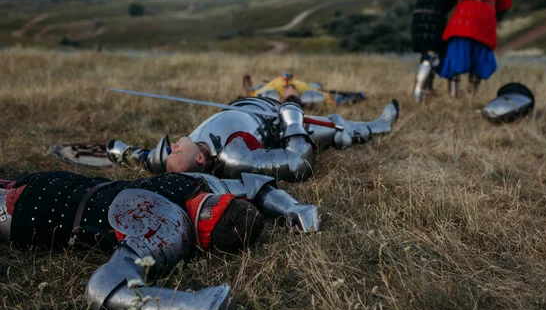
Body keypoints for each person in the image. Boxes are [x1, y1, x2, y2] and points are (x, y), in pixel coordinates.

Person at [0, 170, 318, 310]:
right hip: (53, 183)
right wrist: (295, 208)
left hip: (29, 209)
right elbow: (258, 185)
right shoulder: (203, 187)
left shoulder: (167, 228)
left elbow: (105, 289)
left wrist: (196, 306)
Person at [106, 96, 399, 183]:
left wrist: (122, 152)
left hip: (245, 102)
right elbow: (298, 163)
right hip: (275, 122)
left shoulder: (187, 151)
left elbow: (148, 158)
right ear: (198, 159)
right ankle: (379, 125)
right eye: (174, 151)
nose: (172, 146)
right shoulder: (234, 158)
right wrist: (292, 117)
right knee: (339, 130)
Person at [419, 0, 513, 97]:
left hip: (465, 15)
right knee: (480, 54)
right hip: (486, 17)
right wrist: (497, 17)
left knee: (457, 53)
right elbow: (506, 2)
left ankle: (453, 95)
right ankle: (472, 94)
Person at [412, 0, 494, 102]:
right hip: (434, 19)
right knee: (431, 56)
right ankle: (419, 91)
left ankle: (426, 89)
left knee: (427, 55)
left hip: (418, 18)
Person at [243, 73, 367, 107]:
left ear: (282, 98)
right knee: (316, 86)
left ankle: (250, 86)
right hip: (296, 82)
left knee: (258, 90)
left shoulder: (273, 89)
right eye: (293, 93)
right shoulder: (303, 89)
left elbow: (251, 97)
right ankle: (251, 86)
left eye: (291, 94)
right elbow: (333, 99)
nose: (291, 90)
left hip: (274, 82)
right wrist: (356, 96)